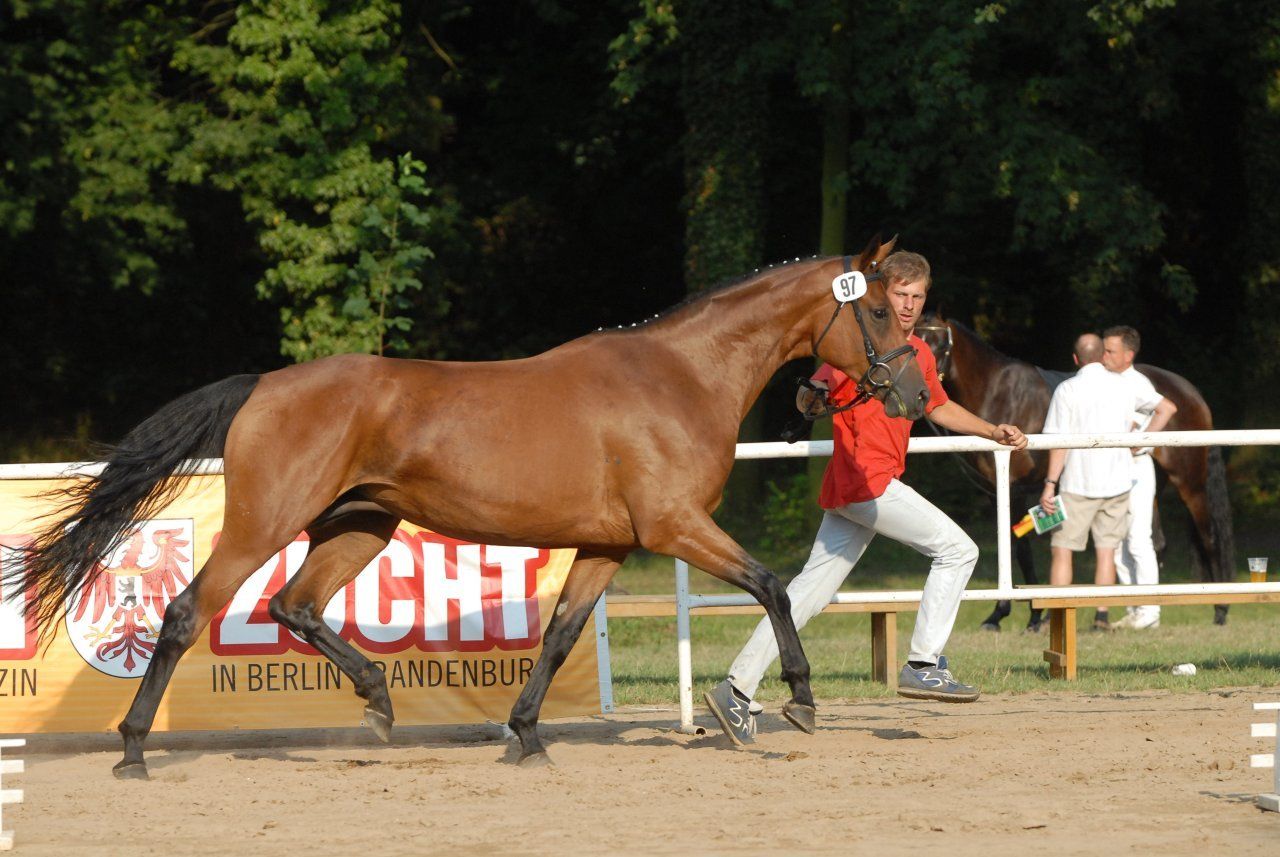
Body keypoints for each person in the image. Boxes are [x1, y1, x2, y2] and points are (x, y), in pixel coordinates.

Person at [703, 250, 1028, 746]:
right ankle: (923, 663)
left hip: (856, 490)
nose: (909, 305)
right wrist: (809, 396)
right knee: (959, 550)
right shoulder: (861, 345)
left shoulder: (915, 353)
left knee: (805, 596)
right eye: (901, 295)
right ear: (883, 294)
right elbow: (816, 389)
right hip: (868, 484)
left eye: (918, 297)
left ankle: (736, 690)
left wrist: (991, 431)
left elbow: (937, 407)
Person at [1038, 334, 1158, 630]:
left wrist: (1050, 484)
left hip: (1078, 483)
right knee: (1106, 551)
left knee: (1063, 550)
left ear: (1076, 359)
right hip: (1118, 483)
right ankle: (1101, 616)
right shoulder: (1124, 385)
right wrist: (1141, 442)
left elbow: (1059, 443)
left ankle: (1059, 617)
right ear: (1102, 356)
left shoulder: (1067, 389)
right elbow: (1161, 408)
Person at [1102, 326, 1177, 630]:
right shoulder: (1105, 380)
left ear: (1128, 355)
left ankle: (1150, 610)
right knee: (1117, 540)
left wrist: (1142, 439)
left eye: (1110, 351)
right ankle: (1135, 608)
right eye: (1104, 350)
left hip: (1135, 467)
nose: (1104, 356)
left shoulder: (1136, 382)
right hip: (1111, 467)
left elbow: (1167, 408)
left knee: (1138, 539)